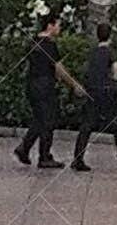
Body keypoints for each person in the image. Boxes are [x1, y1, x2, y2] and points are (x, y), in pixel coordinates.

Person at [15, 12, 85, 169]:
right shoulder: (49, 45)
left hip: (32, 84)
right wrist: (74, 84)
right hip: (45, 86)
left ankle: (24, 148)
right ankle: (44, 156)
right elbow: (59, 68)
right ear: (50, 26)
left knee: (39, 119)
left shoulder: (32, 43)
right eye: (58, 25)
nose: (59, 28)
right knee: (48, 120)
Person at [72, 23, 117, 172]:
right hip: (107, 92)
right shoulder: (110, 52)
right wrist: (116, 84)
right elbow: (116, 71)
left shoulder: (93, 52)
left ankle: (78, 158)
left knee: (87, 125)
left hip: (92, 91)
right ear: (110, 36)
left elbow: (88, 71)